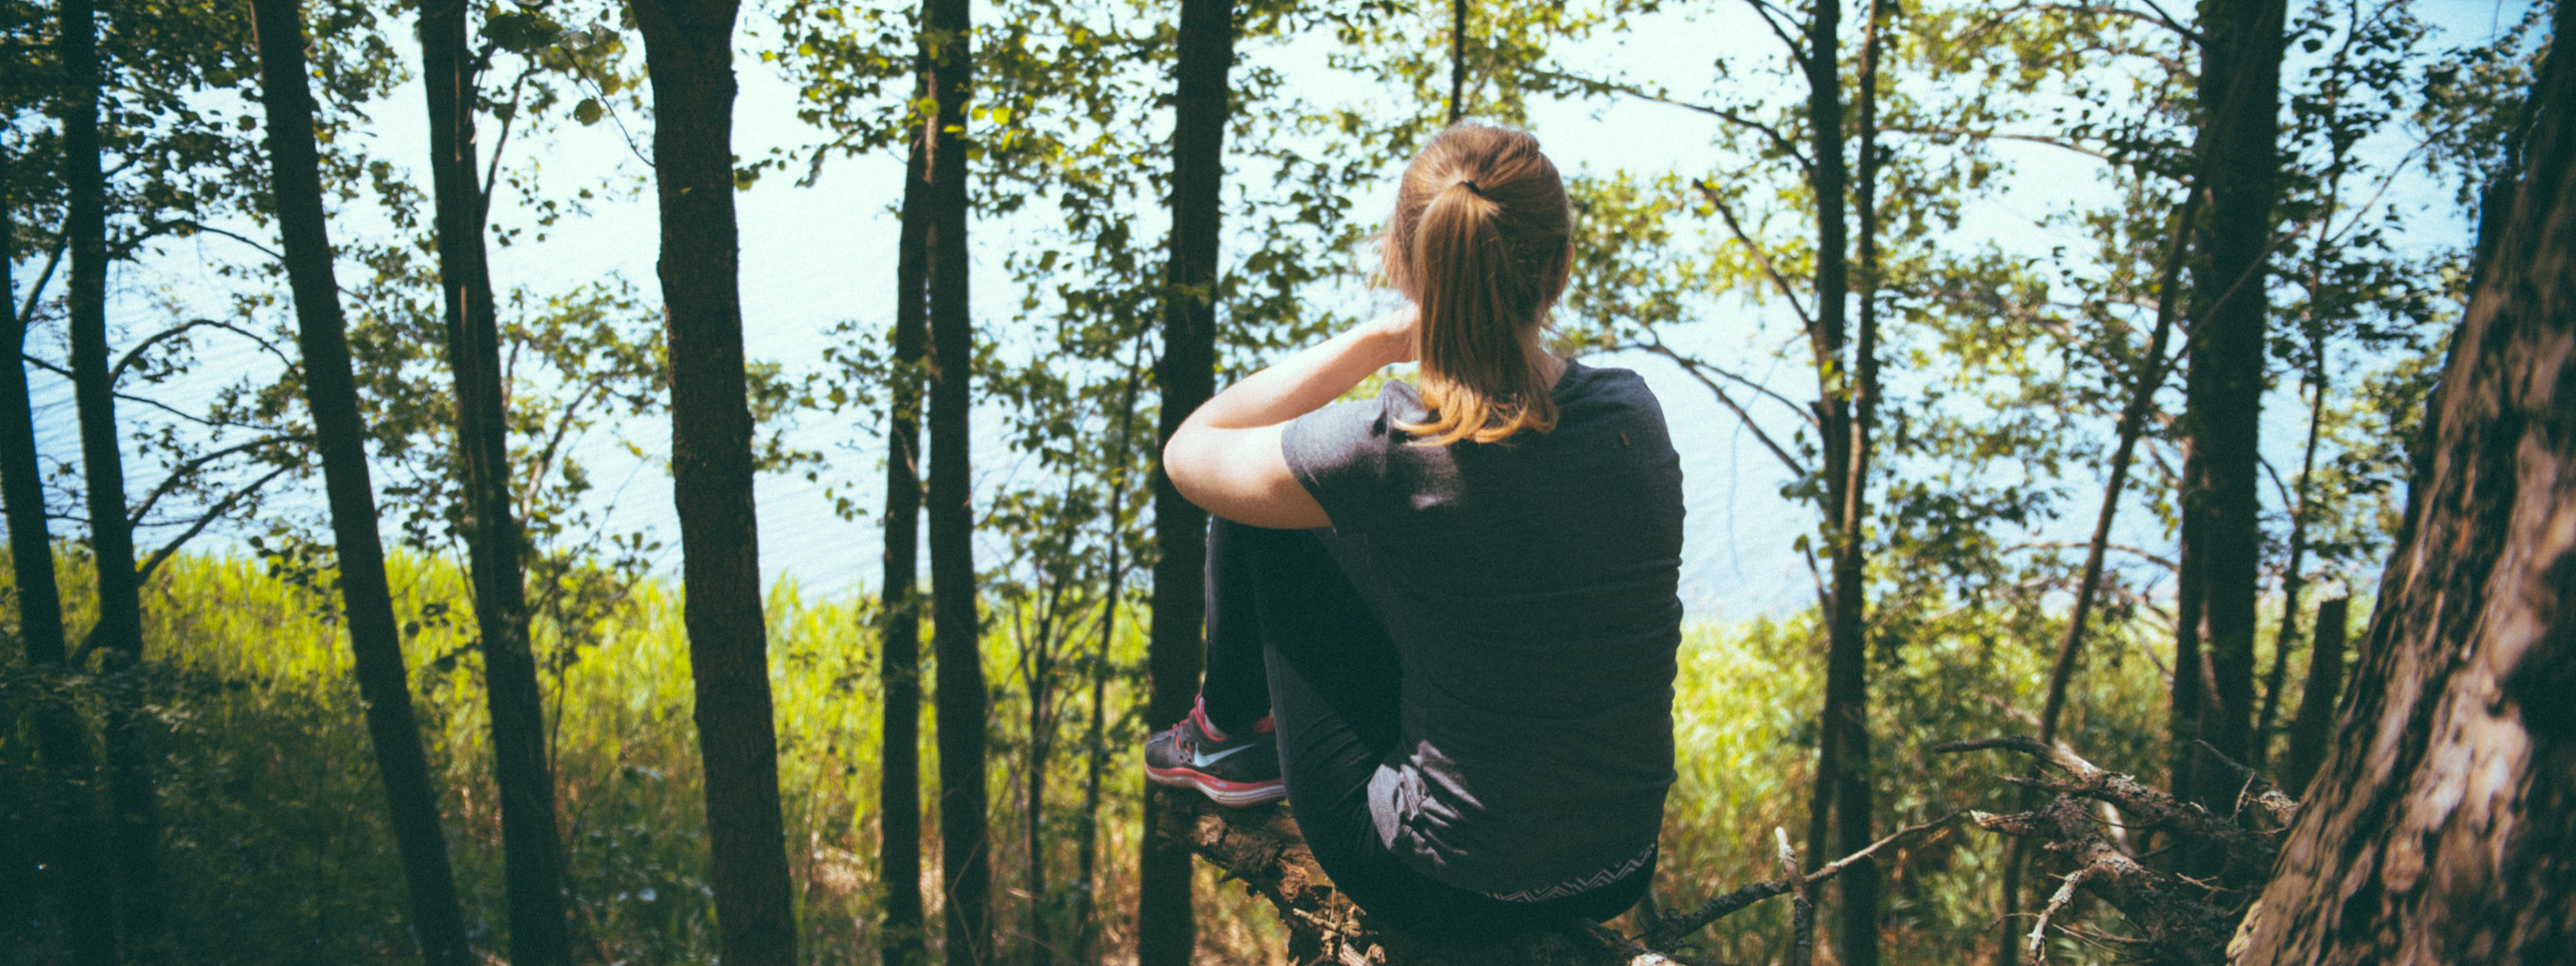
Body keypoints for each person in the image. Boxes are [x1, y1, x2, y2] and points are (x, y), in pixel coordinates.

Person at [1146, 122, 1686, 939]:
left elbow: (1193, 454)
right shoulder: (1631, 414)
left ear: (1406, 265)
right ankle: (1228, 740)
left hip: (1438, 883)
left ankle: (1226, 739)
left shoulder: (1392, 451)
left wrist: (1375, 342)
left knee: (1261, 504)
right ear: (1560, 266)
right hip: (1616, 865)